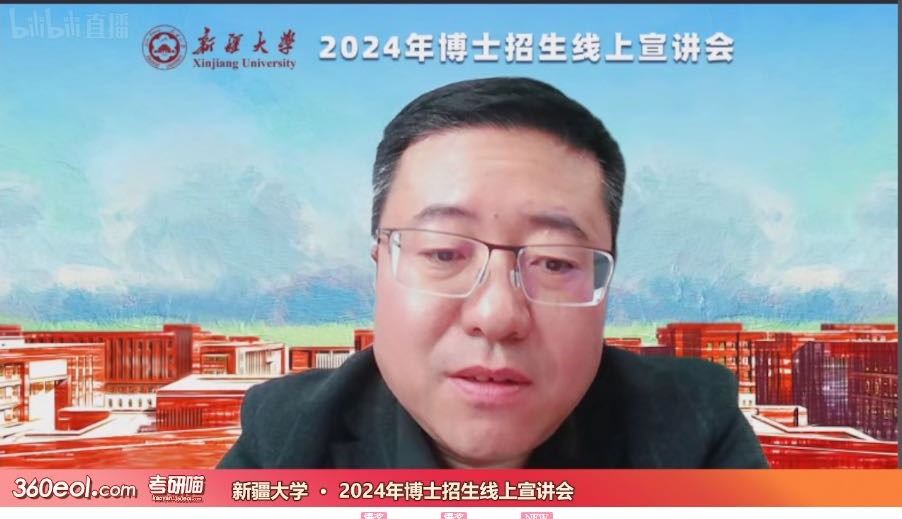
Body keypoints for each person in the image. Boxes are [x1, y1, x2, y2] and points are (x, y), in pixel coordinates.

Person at [217, 77, 770, 469]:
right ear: (379, 270)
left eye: (555, 262)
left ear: (604, 289)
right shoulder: (287, 437)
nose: (498, 315)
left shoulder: (694, 426)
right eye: (443, 253)